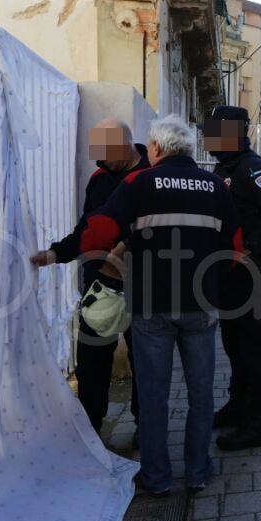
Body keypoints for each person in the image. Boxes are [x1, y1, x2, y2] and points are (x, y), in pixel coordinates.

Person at [78, 114, 240, 496]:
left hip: (151, 304)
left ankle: (157, 478)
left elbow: (99, 230)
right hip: (200, 306)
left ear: (154, 148)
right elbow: (234, 248)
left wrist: (99, 259)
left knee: (153, 395)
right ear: (187, 148)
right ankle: (198, 472)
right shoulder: (216, 185)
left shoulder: (139, 182)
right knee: (201, 394)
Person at [31, 118, 149, 435]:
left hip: (141, 287)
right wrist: (55, 254)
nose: (100, 160)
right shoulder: (99, 179)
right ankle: (91, 429)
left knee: (144, 363)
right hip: (98, 287)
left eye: (106, 152)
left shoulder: (152, 176)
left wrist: (123, 251)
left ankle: (144, 425)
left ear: (126, 144)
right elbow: (86, 229)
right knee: (91, 362)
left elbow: (157, 231)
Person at [203, 105, 261, 450]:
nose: (207, 137)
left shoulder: (253, 169)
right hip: (227, 277)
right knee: (234, 346)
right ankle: (238, 407)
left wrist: (252, 250)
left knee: (253, 348)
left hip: (247, 277)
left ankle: (259, 424)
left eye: (214, 130)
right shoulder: (225, 167)